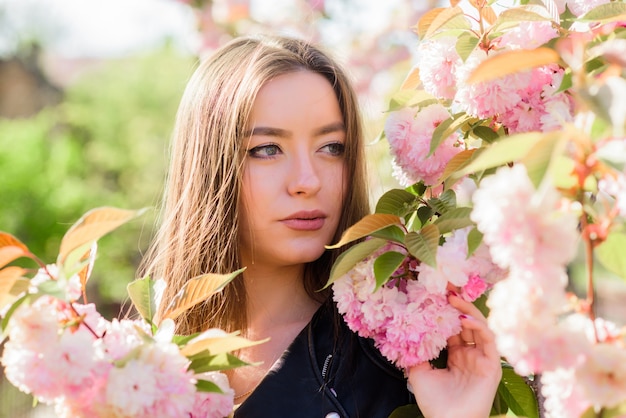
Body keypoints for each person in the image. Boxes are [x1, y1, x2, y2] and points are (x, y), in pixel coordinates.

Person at [140, 34, 502, 417]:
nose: (308, 180)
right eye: (267, 149)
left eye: (332, 147)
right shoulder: (133, 366)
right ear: (210, 166)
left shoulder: (401, 355)